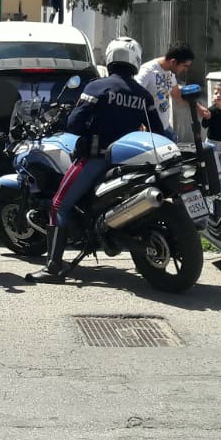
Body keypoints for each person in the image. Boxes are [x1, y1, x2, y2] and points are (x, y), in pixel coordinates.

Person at [29, 37, 164, 284]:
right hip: (129, 163)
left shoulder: (97, 87)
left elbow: (74, 124)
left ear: (110, 59)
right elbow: (158, 131)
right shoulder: (143, 95)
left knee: (58, 205)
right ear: (135, 61)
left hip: (97, 158)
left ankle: (53, 268)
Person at [135, 42, 207, 140]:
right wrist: (138, 122)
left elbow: (177, 95)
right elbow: (134, 95)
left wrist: (198, 107)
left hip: (165, 127)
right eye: (184, 66)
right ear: (173, 62)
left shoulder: (170, 72)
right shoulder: (147, 71)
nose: (185, 70)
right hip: (149, 132)